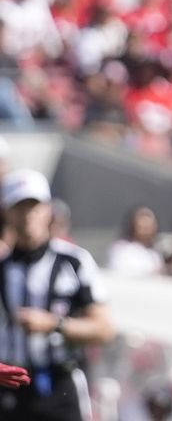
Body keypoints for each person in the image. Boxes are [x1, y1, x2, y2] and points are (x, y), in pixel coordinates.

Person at [0, 169, 115, 420]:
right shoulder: (3, 266)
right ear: (7, 212)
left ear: (48, 209)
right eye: (20, 206)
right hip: (9, 387)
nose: (28, 214)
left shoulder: (73, 261)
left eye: (34, 205)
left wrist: (54, 324)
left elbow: (105, 329)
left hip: (60, 384)